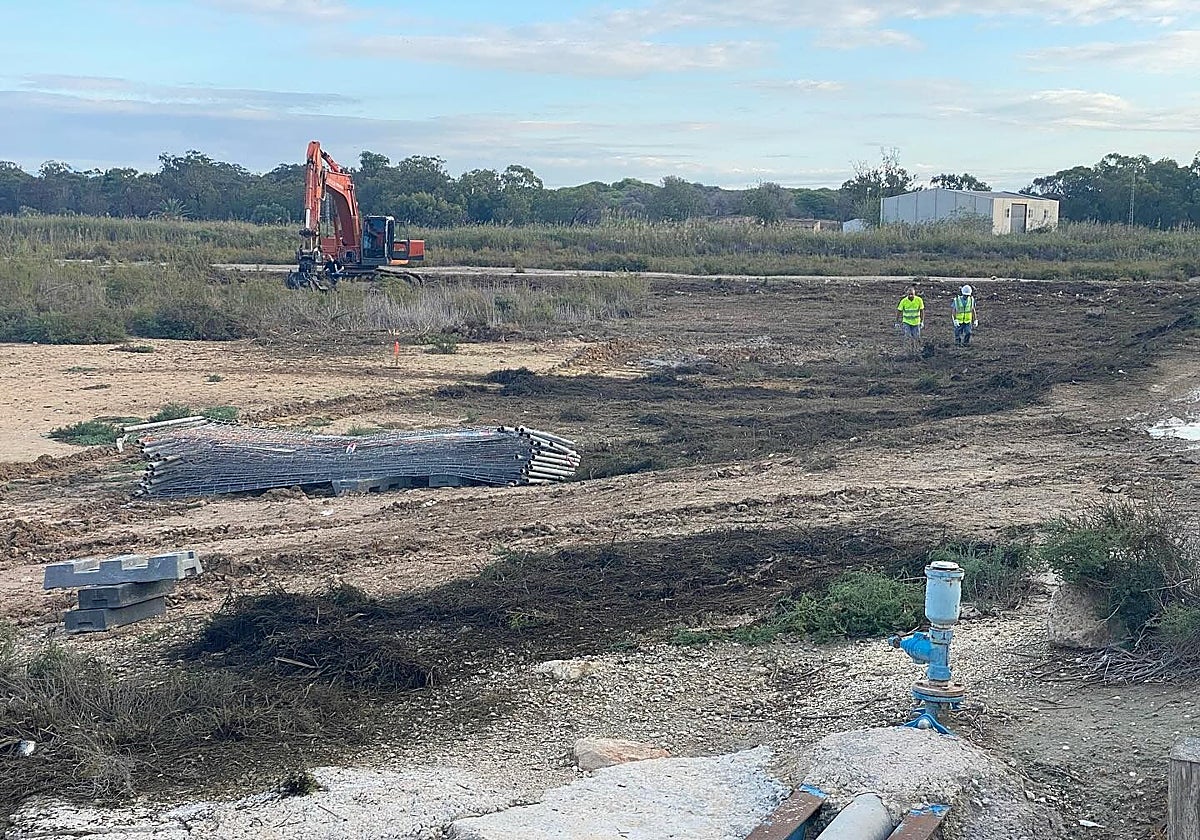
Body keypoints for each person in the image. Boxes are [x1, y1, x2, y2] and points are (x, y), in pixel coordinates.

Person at [896, 285, 924, 355]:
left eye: (912, 294)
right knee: (908, 336)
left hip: (916, 322)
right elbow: (899, 311)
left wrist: (922, 321)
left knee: (916, 337)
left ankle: (916, 351)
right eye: (909, 294)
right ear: (907, 294)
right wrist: (897, 322)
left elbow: (922, 311)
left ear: (914, 294)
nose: (911, 296)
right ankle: (908, 351)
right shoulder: (903, 301)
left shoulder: (919, 300)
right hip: (907, 322)